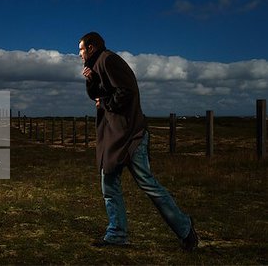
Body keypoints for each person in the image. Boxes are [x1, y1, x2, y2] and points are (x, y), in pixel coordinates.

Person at [79, 32, 198, 251]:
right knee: (109, 184)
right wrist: (91, 81)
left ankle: (185, 228)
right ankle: (116, 234)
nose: (79, 54)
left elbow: (126, 91)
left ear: (92, 48)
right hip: (115, 138)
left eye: (81, 49)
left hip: (131, 136)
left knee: (148, 184)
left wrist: (104, 103)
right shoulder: (99, 65)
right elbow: (99, 94)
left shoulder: (108, 59)